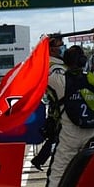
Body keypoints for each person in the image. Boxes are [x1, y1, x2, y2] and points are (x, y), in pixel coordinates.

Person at [45, 29, 94, 187]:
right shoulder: (93, 78)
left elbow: (41, 68)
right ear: (83, 61)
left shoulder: (60, 80)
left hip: (69, 134)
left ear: (65, 62)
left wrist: (44, 45)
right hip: (92, 132)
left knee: (58, 175)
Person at [31, 35, 67, 171]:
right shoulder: (53, 67)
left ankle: (39, 161)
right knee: (56, 141)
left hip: (57, 112)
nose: (63, 47)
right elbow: (64, 89)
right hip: (60, 114)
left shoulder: (58, 64)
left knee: (53, 140)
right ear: (52, 49)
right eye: (60, 45)